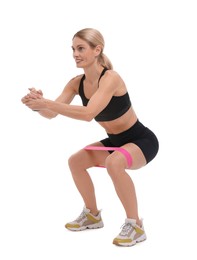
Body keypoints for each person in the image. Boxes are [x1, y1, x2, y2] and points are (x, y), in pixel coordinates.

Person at [21, 28, 159, 247]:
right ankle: (92, 215)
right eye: (73, 49)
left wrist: (47, 103)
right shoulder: (76, 83)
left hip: (142, 141)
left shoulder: (111, 78)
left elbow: (88, 114)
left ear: (97, 50)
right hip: (115, 142)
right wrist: (37, 104)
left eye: (81, 48)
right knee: (75, 161)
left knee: (115, 162)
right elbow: (52, 114)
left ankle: (136, 226)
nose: (75, 53)